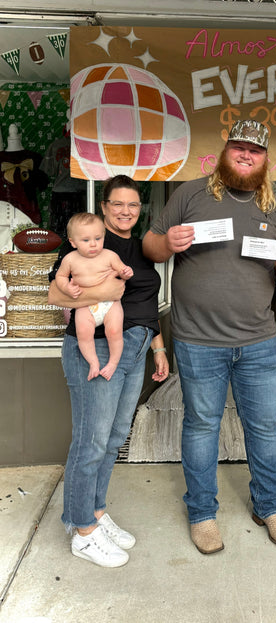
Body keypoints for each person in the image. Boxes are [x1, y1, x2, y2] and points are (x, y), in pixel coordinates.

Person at [142, 119, 276, 555]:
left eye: (256, 150)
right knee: (201, 427)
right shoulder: (190, 193)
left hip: (258, 341)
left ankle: (270, 506)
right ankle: (202, 514)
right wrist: (168, 243)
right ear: (225, 150)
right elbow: (150, 247)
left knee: (265, 428)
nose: (247, 155)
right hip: (198, 340)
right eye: (239, 147)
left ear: (265, 159)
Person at [48, 175, 169, 568]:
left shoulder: (141, 248)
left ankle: (96, 513)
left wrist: (158, 346)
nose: (125, 211)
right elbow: (54, 292)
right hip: (95, 347)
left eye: (133, 205)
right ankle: (81, 529)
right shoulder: (89, 241)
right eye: (118, 204)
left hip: (134, 348)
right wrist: (108, 292)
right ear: (104, 207)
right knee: (92, 441)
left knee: (115, 437)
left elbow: (146, 301)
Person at [55, 213, 134, 381]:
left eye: (98, 238)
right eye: (86, 240)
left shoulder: (109, 255)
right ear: (72, 242)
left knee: (114, 331)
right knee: (83, 333)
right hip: (85, 305)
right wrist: (67, 288)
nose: (93, 244)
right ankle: (93, 362)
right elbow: (60, 277)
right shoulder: (70, 259)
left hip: (110, 304)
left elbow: (122, 271)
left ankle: (113, 363)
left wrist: (126, 272)